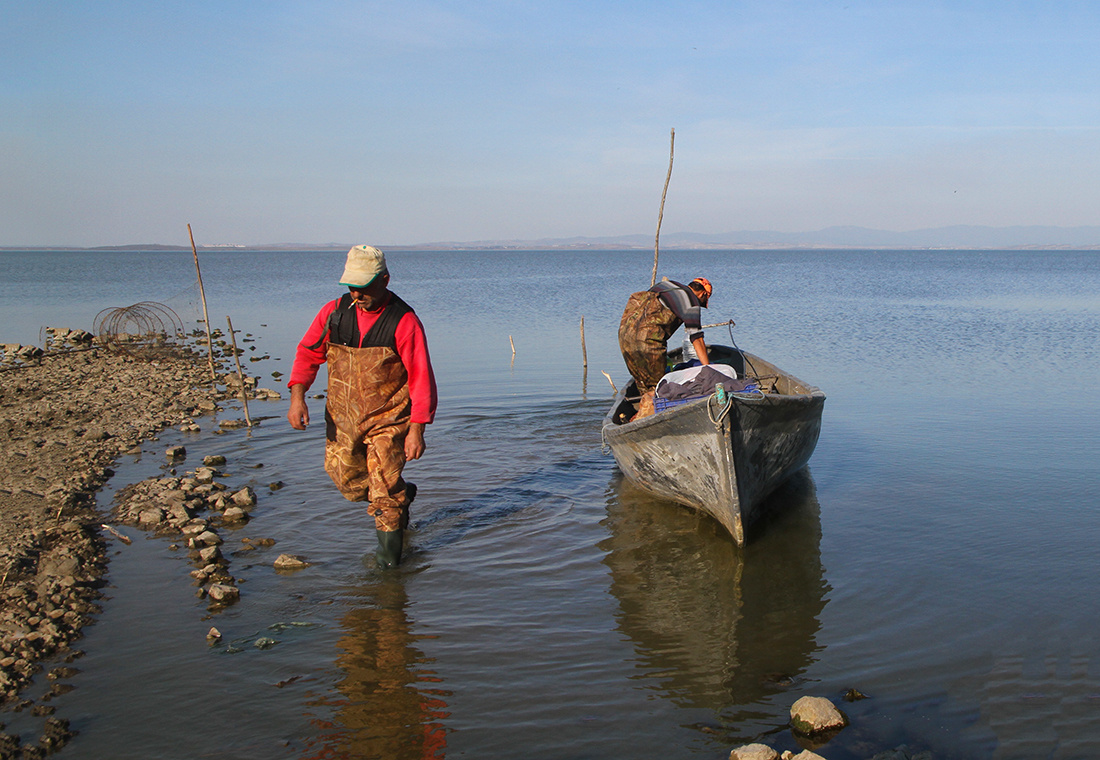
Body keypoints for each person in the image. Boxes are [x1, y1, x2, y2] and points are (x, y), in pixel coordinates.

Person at [287, 245, 438, 568]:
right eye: (351, 287)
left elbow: (421, 378)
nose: (357, 294)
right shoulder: (333, 314)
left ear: (384, 279)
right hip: (343, 419)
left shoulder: (404, 321)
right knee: (348, 481)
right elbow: (308, 354)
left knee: (383, 491)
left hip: (390, 420)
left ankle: (389, 574)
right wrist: (297, 397)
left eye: (364, 286)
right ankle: (403, 494)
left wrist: (416, 430)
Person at [618, 277, 712, 419]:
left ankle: (634, 418)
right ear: (704, 294)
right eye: (703, 301)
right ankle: (647, 421)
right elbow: (696, 338)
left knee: (644, 387)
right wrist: (708, 368)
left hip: (625, 338)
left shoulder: (666, 285)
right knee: (659, 392)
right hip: (648, 344)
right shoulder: (691, 303)